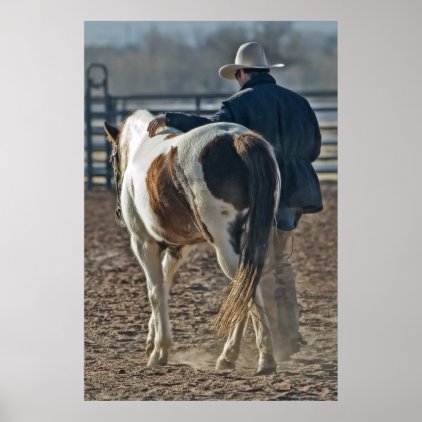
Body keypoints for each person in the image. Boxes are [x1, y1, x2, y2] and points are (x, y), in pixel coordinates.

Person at [148, 41, 323, 361]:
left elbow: (209, 130)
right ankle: (289, 336)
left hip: (255, 190)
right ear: (266, 71)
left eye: (236, 75)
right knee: (281, 263)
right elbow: (313, 148)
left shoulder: (239, 105)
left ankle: (274, 343)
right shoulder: (299, 103)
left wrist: (172, 118)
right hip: (294, 191)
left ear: (242, 73)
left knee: (259, 262)